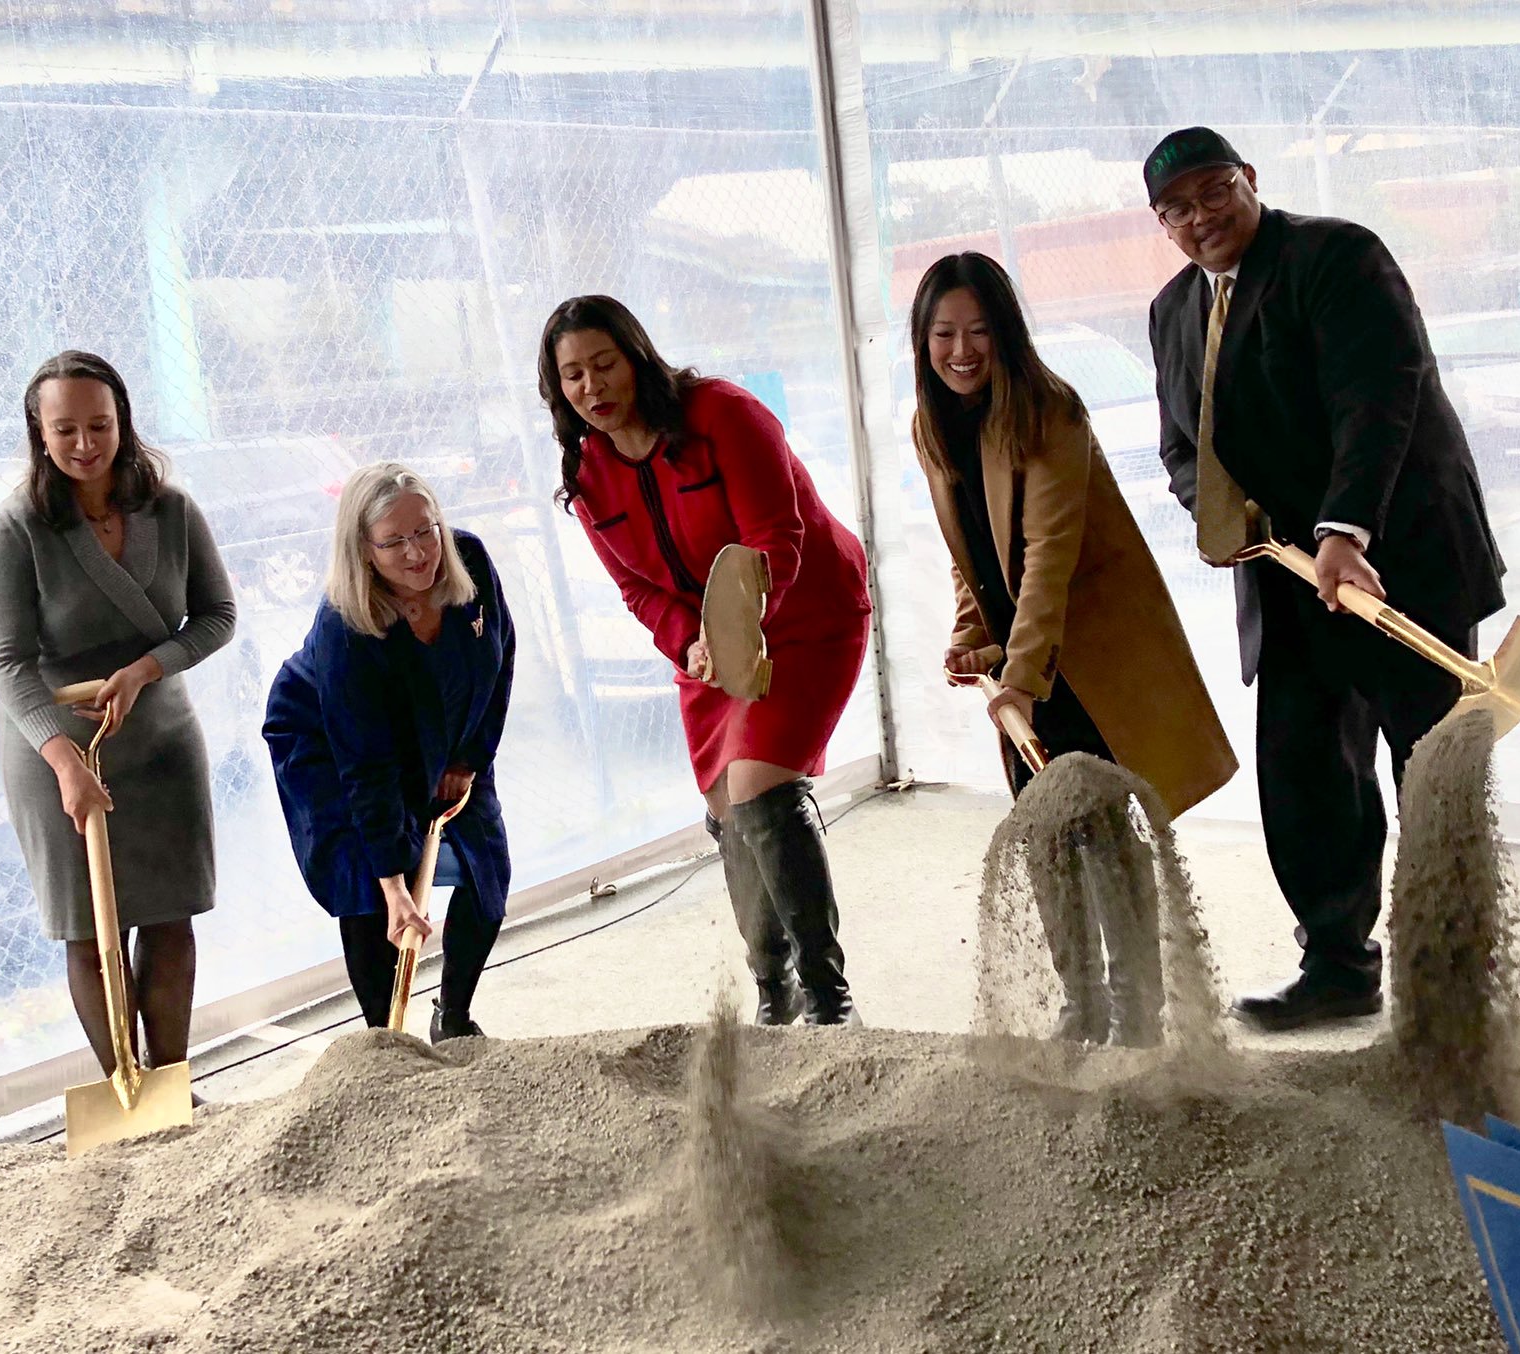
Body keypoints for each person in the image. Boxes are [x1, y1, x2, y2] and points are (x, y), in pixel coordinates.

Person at [1143, 126, 1507, 1031]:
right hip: (1289, 580)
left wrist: (1346, 528)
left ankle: (1455, 978)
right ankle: (1340, 964)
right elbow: (1183, 448)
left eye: (1213, 192)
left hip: (1400, 562)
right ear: (1162, 222)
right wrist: (1222, 520)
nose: (1200, 219)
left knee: (1433, 768)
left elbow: (1378, 395)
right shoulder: (1172, 312)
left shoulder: (1334, 256)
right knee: (1306, 772)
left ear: (1249, 181)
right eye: (1177, 209)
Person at [910, 251, 1236, 1045]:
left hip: (1084, 654)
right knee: (1041, 829)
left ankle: (1138, 1012)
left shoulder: (1050, 410)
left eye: (980, 331)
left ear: (1007, 334)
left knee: (1098, 829)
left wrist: (1019, 678)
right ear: (922, 341)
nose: (961, 351)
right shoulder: (930, 422)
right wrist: (970, 637)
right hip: (1021, 660)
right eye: (944, 333)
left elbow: (1046, 555)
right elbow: (974, 557)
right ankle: (1081, 1004)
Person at [539, 295, 872, 1027]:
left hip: (805, 612)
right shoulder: (587, 474)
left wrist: (736, 631)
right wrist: (691, 641)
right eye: (572, 376)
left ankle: (828, 999)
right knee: (727, 811)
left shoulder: (724, 414)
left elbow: (776, 535)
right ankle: (773, 990)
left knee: (761, 794)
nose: (592, 388)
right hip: (706, 647)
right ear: (556, 389)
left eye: (604, 364)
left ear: (636, 356)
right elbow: (636, 590)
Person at [0, 350, 237, 1084]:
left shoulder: (172, 508)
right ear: (39, 431)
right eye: (66, 430)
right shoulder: (14, 531)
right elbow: (9, 665)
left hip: (158, 739)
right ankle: (126, 1091)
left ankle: (172, 1086)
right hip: (56, 745)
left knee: (168, 916)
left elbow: (216, 615)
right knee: (92, 934)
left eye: (100, 425)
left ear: (123, 422)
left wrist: (149, 668)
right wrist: (65, 765)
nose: (85, 444)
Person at [263, 462, 515, 1041]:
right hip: (329, 744)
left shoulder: (469, 561)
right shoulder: (344, 628)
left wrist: (469, 759)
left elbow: (500, 663)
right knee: (369, 890)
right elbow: (365, 764)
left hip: (449, 730)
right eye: (394, 541)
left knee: (486, 870)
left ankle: (452, 1017)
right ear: (364, 549)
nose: (418, 552)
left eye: (426, 530)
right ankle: (386, 1037)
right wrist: (394, 886)